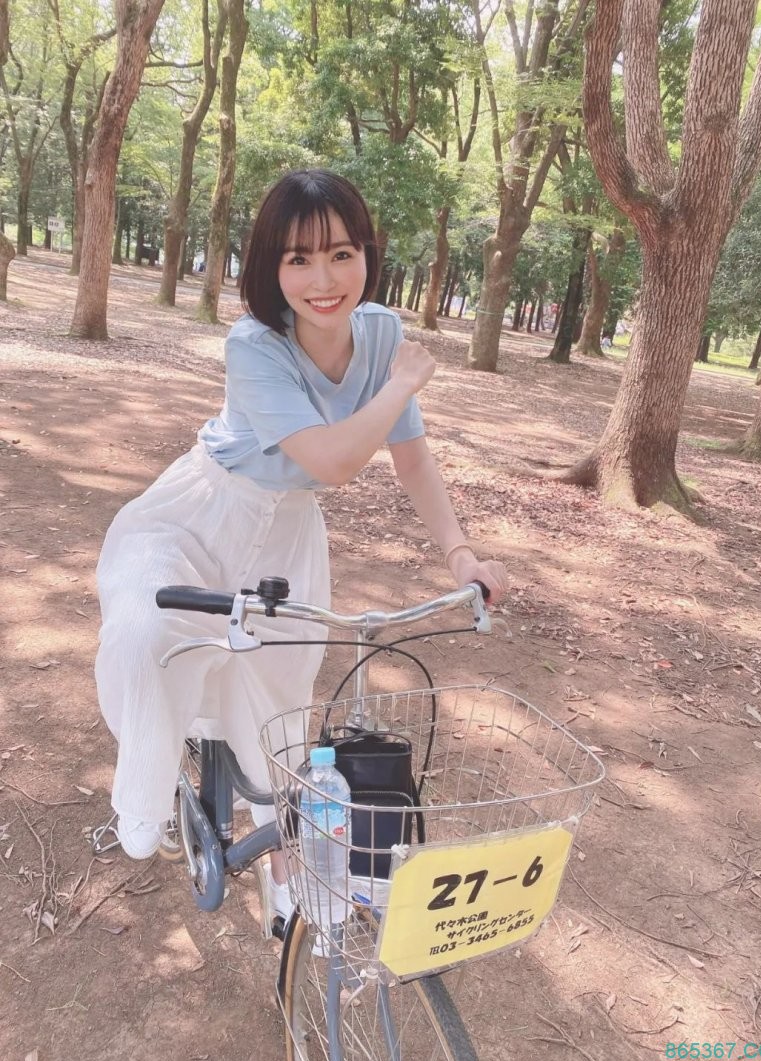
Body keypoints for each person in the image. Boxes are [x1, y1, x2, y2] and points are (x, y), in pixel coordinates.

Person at [94, 169, 508, 925]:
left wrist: (460, 554)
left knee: (280, 705)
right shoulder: (254, 344)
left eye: (342, 254)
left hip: (287, 536)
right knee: (148, 632)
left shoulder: (380, 335)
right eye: (299, 259)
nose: (324, 280)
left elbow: (412, 460)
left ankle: (285, 859)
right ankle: (144, 800)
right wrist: (401, 386)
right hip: (198, 513)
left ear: (367, 255)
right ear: (271, 267)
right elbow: (334, 460)